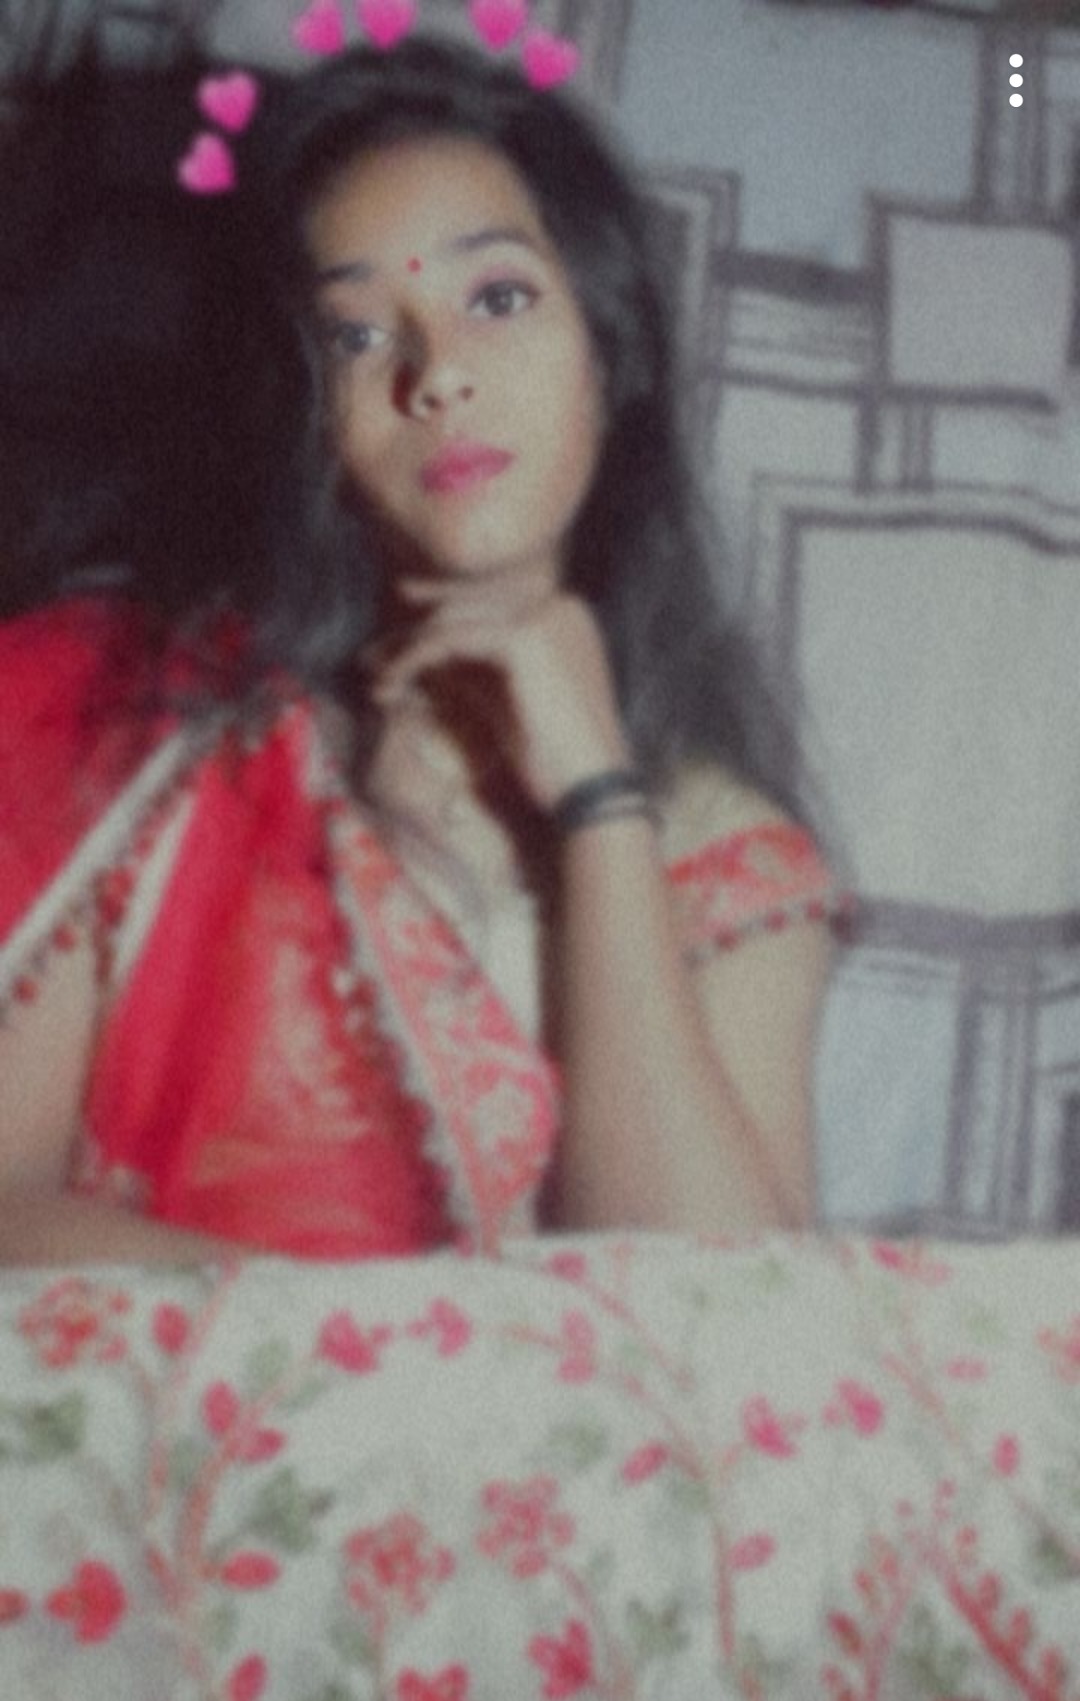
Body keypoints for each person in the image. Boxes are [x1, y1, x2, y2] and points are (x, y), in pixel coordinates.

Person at [0, 25, 852, 1266]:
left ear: (608, 352)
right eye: (354, 335)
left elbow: (722, 1323)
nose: (437, 374)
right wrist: (370, 1353)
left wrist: (601, 807)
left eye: (497, 298)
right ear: (300, 410)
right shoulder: (140, 743)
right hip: (198, 1395)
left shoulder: (728, 859)